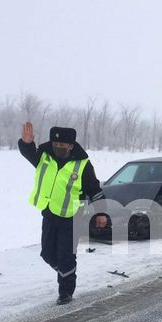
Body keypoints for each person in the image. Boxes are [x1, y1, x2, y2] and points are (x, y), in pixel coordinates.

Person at [19, 122, 107, 305]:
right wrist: (27, 143)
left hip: (74, 216)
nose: (58, 147)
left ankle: (66, 291)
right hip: (50, 211)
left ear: (71, 146)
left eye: (62, 145)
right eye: (55, 144)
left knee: (65, 255)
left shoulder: (82, 165)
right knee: (47, 254)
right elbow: (28, 154)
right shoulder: (44, 157)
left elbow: (94, 189)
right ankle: (67, 273)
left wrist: (101, 214)